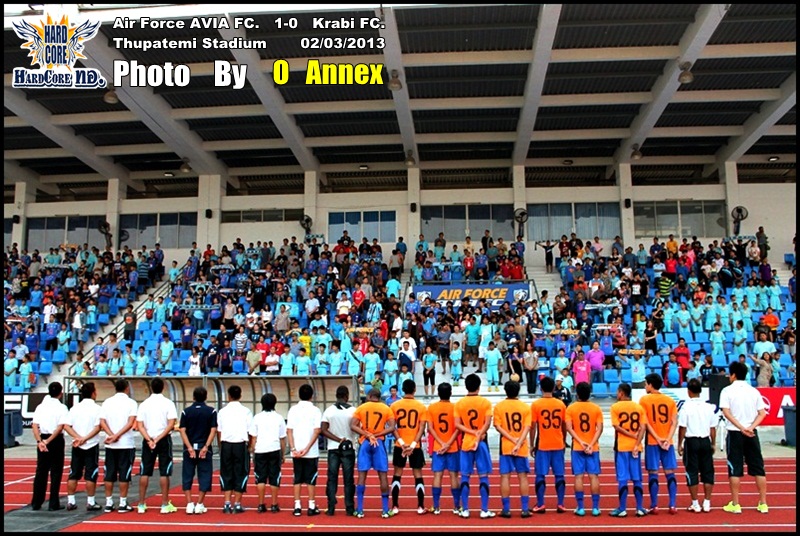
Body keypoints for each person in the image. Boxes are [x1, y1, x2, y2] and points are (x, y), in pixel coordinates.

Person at [719, 361, 769, 514]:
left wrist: (741, 428)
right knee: (759, 468)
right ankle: (763, 503)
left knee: (734, 468)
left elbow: (726, 412)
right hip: (752, 433)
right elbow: (762, 413)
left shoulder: (727, 391)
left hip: (735, 432)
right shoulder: (754, 391)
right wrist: (750, 427)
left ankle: (736, 504)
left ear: (733, 375)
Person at [454, 373, 495, 519]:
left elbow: (457, 425)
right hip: (481, 442)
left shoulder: (459, 403)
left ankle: (465, 509)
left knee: (465, 476)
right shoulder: (485, 402)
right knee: (483, 476)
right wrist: (479, 433)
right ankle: (484, 510)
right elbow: (487, 423)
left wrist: (471, 432)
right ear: (479, 387)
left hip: (466, 442)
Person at [351, 388, 396, 518]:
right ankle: (385, 510)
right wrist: (376, 435)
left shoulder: (361, 407)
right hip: (379, 442)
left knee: (362, 475)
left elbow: (353, 425)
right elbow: (392, 427)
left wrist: (367, 434)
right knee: (383, 475)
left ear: (369, 396)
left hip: (365, 442)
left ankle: (360, 509)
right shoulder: (386, 408)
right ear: (379, 397)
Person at [136, 376, 178, 514]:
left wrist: (149, 439)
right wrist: (159, 438)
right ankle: (164, 504)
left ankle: (141, 504)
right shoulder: (168, 403)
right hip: (163, 439)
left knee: (145, 471)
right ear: (163, 387)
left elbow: (140, 425)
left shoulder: (144, 404)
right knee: (164, 472)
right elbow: (171, 423)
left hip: (149, 438)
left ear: (151, 387)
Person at [639, 373, 679, 515]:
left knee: (653, 472)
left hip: (652, 442)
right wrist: (667, 438)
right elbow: (674, 422)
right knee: (670, 472)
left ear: (650, 385)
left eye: (646, 384)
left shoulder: (644, 400)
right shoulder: (670, 400)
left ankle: (654, 505)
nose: (645, 387)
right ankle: (672, 504)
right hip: (668, 442)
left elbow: (645, 423)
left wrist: (657, 438)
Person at [493, 380, 533, 519]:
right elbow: (527, 427)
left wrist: (511, 439)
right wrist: (518, 442)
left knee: (505, 476)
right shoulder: (525, 407)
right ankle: (524, 509)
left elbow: (498, 426)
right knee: (523, 477)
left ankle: (506, 509)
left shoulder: (499, 406)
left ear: (505, 391)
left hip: (506, 446)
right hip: (521, 446)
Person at [389, 379, 429, 515]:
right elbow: (421, 428)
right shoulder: (421, 406)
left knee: (397, 474)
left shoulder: (394, 405)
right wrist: (412, 445)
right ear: (415, 390)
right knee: (418, 475)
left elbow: (392, 427)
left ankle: (395, 506)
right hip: (415, 445)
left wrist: (401, 442)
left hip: (399, 445)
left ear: (402, 389)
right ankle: (420, 506)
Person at [564, 382, 604, 517]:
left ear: (577, 394)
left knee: (578, 476)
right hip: (593, 447)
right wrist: (591, 444)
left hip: (577, 447)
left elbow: (569, 428)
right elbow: (599, 429)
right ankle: (595, 507)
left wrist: (581, 442)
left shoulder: (571, 408)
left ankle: (580, 507)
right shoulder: (596, 408)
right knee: (593, 476)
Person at [677, 378, 717, 513]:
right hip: (705, 440)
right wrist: (713, 443)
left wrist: (679, 444)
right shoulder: (708, 407)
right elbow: (712, 428)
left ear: (688, 391)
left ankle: (695, 503)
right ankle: (707, 502)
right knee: (708, 471)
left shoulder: (686, 407)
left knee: (692, 471)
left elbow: (682, 427)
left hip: (691, 441)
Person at [529, 376, 567, 514]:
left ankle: (541, 504)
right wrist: (564, 440)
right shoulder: (561, 404)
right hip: (558, 443)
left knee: (540, 474)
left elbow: (533, 426)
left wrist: (531, 444)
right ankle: (561, 503)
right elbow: (564, 425)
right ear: (553, 388)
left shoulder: (536, 405)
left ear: (540, 388)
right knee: (559, 475)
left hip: (543, 444)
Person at [62, 382, 102, 511]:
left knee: (74, 473)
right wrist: (85, 438)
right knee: (91, 474)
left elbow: (66, 426)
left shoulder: (75, 408)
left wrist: (78, 437)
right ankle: (90, 501)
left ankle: (71, 501)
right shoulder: (97, 409)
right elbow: (98, 427)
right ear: (93, 393)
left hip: (77, 444)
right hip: (91, 444)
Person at [100, 379, 138, 513]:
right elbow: (130, 423)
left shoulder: (107, 402)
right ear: (127, 388)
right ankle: (122, 502)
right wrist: (117, 435)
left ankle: (109, 502)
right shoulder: (131, 403)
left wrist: (112, 435)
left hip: (111, 443)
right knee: (124, 473)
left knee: (109, 473)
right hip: (125, 443)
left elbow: (102, 422)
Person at [609, 383, 647, 518]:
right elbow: (643, 427)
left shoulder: (615, 407)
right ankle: (639, 508)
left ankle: (622, 508)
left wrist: (630, 435)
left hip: (621, 446)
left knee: (622, 478)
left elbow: (617, 426)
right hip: (635, 447)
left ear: (621, 393)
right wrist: (637, 442)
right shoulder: (639, 407)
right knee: (637, 478)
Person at [178, 386, 217, 515]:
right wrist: (206, 446)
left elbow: (182, 430)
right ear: (205, 397)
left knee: (187, 475)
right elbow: (213, 430)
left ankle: (189, 503)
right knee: (205, 475)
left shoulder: (186, 411)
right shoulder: (211, 411)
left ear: (193, 397)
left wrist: (189, 447)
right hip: (204, 448)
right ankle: (199, 503)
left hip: (189, 449)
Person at [30, 381, 69, 511]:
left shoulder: (40, 407)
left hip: (42, 438)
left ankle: (36, 502)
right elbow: (60, 427)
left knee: (41, 471)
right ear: (60, 393)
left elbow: (35, 425)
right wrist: (48, 441)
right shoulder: (62, 407)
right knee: (56, 472)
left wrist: (40, 441)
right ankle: (53, 503)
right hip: (55, 440)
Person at [287, 384, 322, 516]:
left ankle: (297, 506)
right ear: (311, 396)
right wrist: (307, 448)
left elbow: (289, 430)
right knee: (311, 478)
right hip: (310, 451)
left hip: (296, 450)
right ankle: (311, 505)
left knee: (297, 478)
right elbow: (317, 430)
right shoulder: (316, 410)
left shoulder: (293, 409)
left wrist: (293, 448)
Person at [426, 382, 461, 515]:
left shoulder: (432, 407)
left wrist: (441, 443)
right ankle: (457, 506)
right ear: (451, 393)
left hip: (438, 447)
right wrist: (448, 443)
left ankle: (436, 506)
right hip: (453, 447)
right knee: (454, 475)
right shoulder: (455, 407)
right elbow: (458, 428)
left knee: (437, 475)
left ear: (438, 393)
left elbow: (430, 428)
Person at [321, 385, 357, 516]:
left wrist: (337, 439)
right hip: (349, 447)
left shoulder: (329, 411)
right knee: (348, 479)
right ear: (347, 396)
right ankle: (349, 507)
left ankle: (331, 507)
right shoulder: (353, 411)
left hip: (333, 448)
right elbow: (357, 427)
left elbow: (323, 430)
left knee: (332, 478)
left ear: (336, 395)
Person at [217, 385, 253, 514]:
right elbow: (251, 431)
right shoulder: (246, 411)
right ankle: (237, 504)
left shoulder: (222, 411)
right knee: (241, 472)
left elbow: (219, 431)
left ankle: (227, 503)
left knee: (226, 472)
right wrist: (250, 446)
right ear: (240, 395)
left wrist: (221, 446)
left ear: (229, 396)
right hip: (240, 445)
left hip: (226, 444)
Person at [249, 393, 286, 514]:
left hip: (260, 449)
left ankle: (261, 504)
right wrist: (283, 454)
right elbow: (282, 438)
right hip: (274, 448)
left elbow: (253, 437)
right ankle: (274, 504)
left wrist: (253, 450)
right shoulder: (279, 418)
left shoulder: (257, 417)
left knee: (260, 478)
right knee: (274, 477)